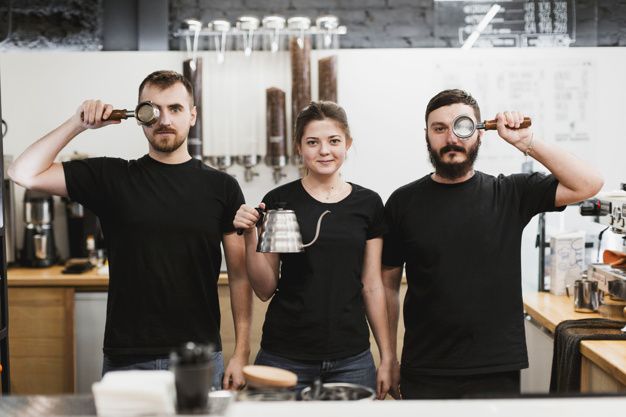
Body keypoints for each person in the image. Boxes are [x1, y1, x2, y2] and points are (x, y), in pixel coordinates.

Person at [8, 70, 252, 390]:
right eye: (153, 109)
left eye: (176, 108)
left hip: (199, 358)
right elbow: (21, 172)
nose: (164, 119)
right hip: (127, 360)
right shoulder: (112, 178)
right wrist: (77, 124)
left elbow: (239, 275)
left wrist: (242, 352)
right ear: (139, 116)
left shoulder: (223, 187)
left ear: (192, 116)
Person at [382, 89, 603, 399]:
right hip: (425, 367)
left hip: (495, 368)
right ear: (427, 135)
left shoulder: (510, 193)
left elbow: (589, 183)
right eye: (439, 128)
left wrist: (525, 141)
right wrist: (389, 357)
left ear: (479, 134)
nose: (451, 139)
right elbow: (387, 286)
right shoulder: (402, 202)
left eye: (461, 127)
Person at [233, 101, 398, 399]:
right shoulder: (279, 200)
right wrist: (249, 237)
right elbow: (264, 288)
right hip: (283, 356)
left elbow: (372, 285)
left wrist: (387, 356)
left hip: (351, 359)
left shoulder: (369, 204)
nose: (324, 150)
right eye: (313, 142)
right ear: (299, 147)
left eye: (334, 141)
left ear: (347, 144)